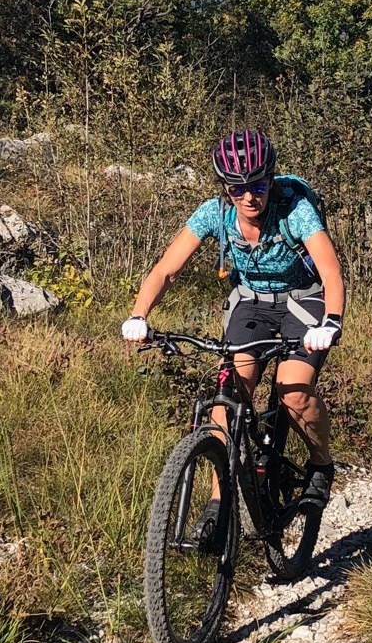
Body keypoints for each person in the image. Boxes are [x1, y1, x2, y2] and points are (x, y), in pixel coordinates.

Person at [121, 130, 345, 534]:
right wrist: (139, 315)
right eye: (237, 188)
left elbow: (330, 271)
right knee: (228, 396)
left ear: (270, 178)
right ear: (225, 188)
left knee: (292, 391)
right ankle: (218, 504)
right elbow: (166, 269)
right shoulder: (213, 214)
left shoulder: (295, 210)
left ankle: (320, 465)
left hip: (303, 299)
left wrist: (330, 322)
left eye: (258, 185)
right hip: (250, 302)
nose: (249, 197)